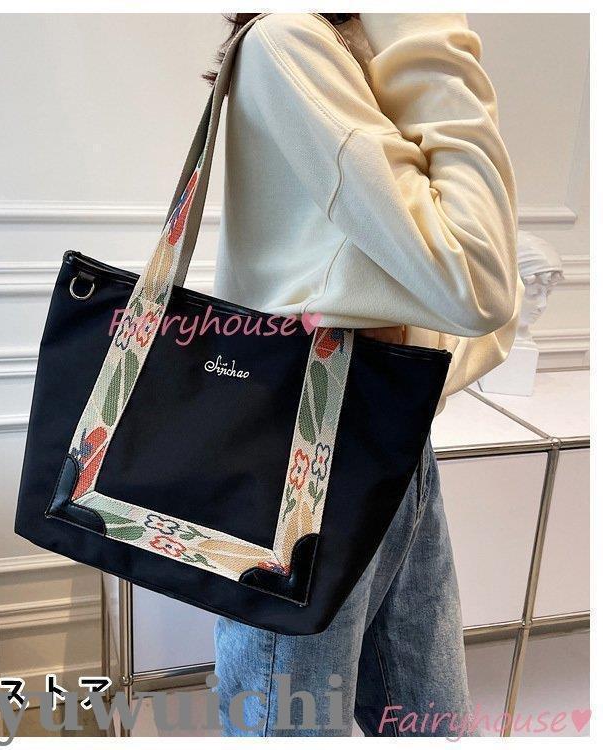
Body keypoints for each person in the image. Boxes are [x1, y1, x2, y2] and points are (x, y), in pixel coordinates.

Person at [210, 13, 522, 737]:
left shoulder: (348, 52)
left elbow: (460, 289)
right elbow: (477, 280)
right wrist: (427, 29)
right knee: (292, 730)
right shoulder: (290, 40)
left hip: (388, 434)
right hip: (306, 459)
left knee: (432, 727)